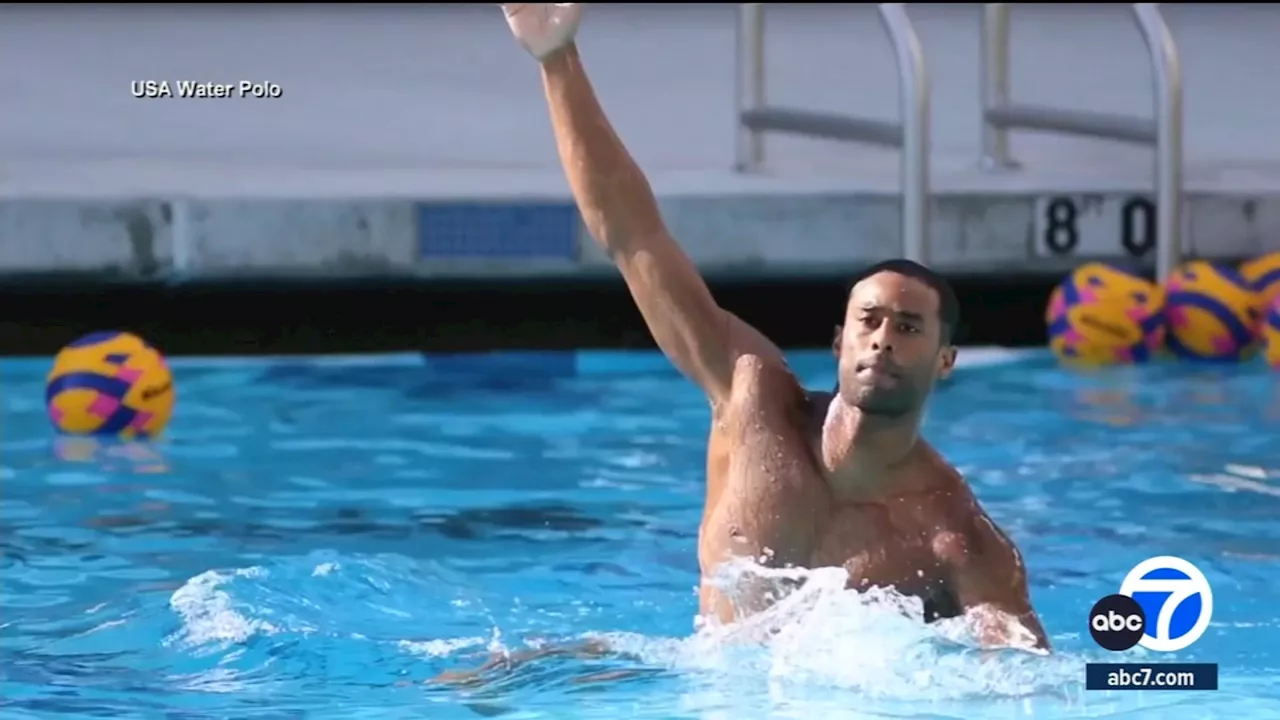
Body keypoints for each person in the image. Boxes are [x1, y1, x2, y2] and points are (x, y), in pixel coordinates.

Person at [498, 3, 1049, 652]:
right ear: (839, 341)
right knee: (499, 671)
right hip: (698, 687)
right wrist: (557, 60)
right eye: (868, 321)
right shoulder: (749, 398)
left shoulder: (956, 537)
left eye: (908, 327)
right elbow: (632, 235)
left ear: (945, 360)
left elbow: (1034, 680)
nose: (882, 340)